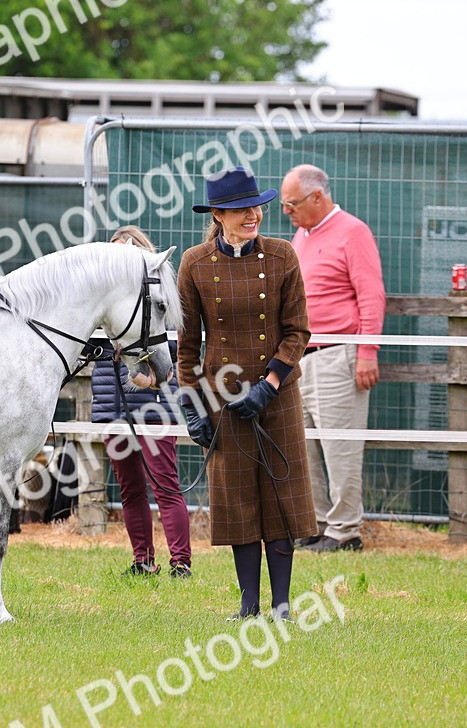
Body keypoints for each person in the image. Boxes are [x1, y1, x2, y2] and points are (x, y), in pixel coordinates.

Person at [176, 166, 316, 621]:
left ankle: (281, 605)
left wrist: (270, 383)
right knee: (237, 499)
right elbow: (186, 345)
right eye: (241, 209)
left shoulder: (283, 256)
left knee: (280, 494)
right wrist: (191, 403)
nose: (253, 215)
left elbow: (298, 331)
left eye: (256, 206)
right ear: (219, 214)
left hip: (277, 396)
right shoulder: (194, 264)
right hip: (223, 400)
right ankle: (248, 604)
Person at [281, 164, 386, 552]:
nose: (286, 211)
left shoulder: (353, 232)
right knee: (302, 445)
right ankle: (317, 524)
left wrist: (367, 352)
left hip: (337, 355)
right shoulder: (302, 236)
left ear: (317, 197)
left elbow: (371, 295)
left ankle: (344, 532)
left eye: (291, 204)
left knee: (339, 446)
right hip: (300, 357)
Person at [93, 226, 192, 578]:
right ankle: (142, 561)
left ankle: (181, 562)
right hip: (111, 405)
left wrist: (150, 375)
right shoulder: (100, 301)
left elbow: (173, 347)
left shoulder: (157, 296)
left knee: (165, 484)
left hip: (152, 405)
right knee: (130, 489)